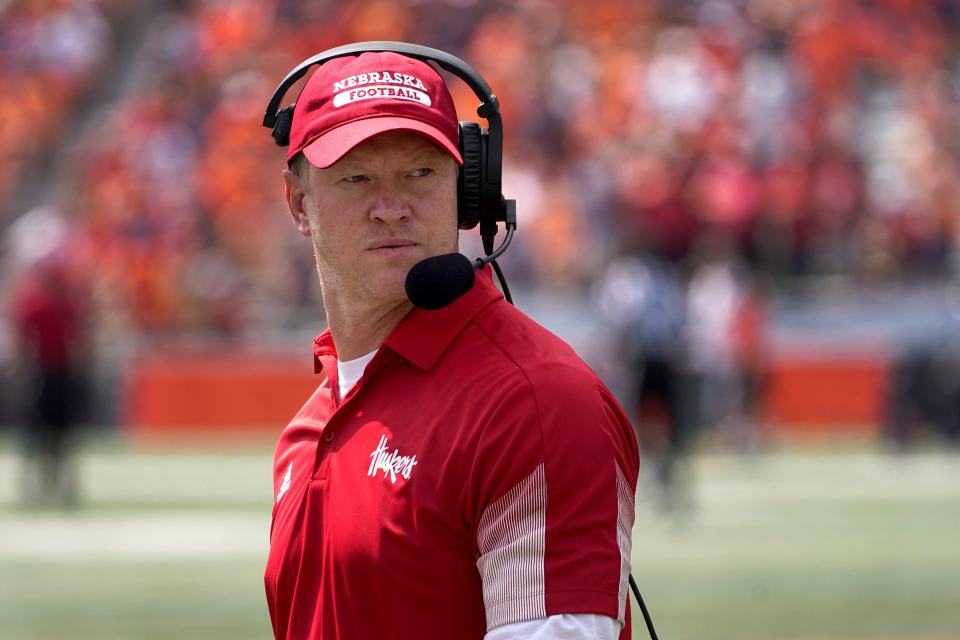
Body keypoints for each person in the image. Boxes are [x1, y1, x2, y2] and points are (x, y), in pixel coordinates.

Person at [263, 48, 640, 640]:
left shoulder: (534, 403)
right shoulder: (308, 428)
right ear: (298, 202)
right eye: (356, 178)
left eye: (420, 172)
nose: (390, 208)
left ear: (467, 192)